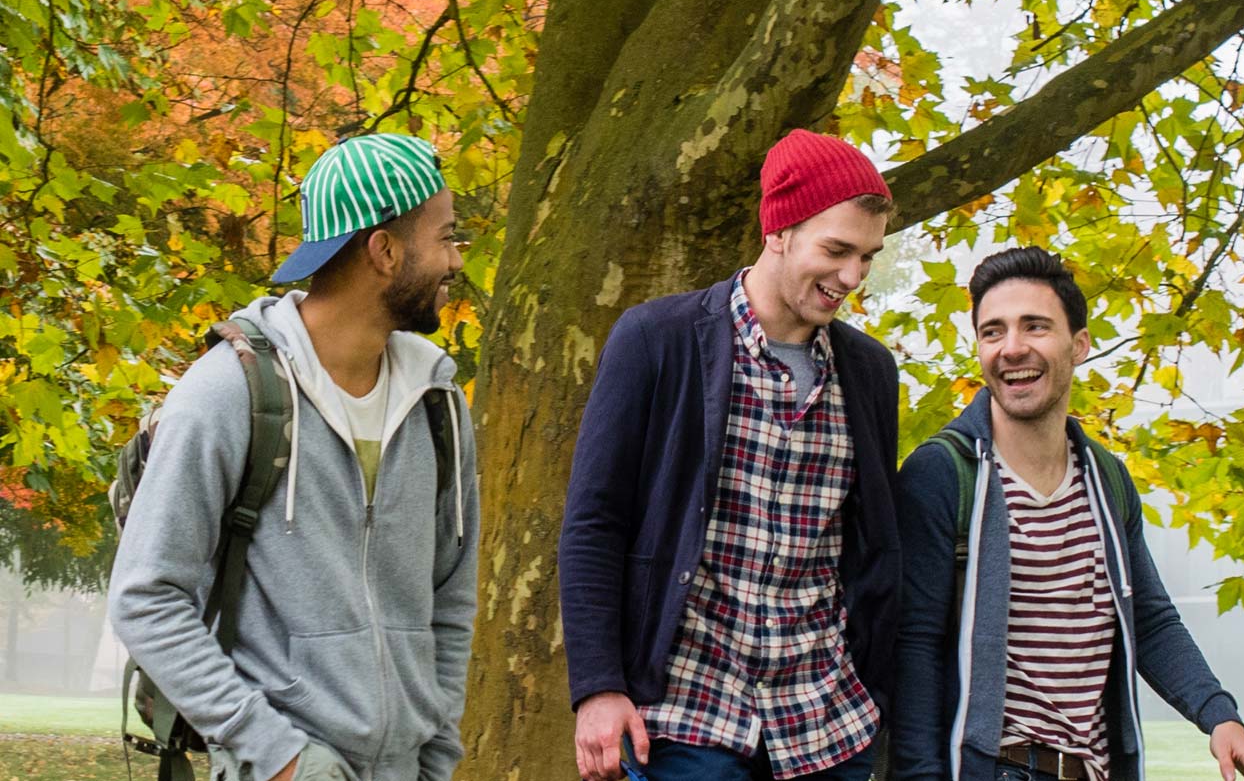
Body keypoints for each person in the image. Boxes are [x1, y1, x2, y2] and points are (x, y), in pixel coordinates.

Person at [109, 133, 480, 781]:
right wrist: (279, 756)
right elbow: (146, 596)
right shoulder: (228, 394)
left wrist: (438, 754)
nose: (455, 258)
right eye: (445, 236)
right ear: (385, 251)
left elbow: (450, 599)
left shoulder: (440, 406)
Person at [559, 129, 903, 781]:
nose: (852, 277)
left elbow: (877, 549)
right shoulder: (656, 341)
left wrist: (878, 698)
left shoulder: (870, 373)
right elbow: (594, 524)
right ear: (778, 230)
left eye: (867, 257)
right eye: (836, 250)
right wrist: (599, 687)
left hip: (826, 725)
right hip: (687, 713)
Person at [890, 247, 1244, 781]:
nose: (1011, 348)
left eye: (1034, 327)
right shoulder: (944, 473)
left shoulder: (1107, 479)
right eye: (992, 332)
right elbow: (915, 647)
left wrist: (1219, 716)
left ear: (1079, 344)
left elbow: (1150, 619)